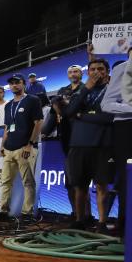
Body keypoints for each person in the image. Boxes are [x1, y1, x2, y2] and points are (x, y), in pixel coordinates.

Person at [65, 58, 113, 233]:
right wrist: (86, 89)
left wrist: (82, 116)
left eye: (100, 69)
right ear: (88, 72)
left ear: (107, 72)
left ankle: (101, 222)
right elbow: (69, 112)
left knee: (101, 185)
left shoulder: (112, 91)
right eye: (92, 69)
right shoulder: (81, 92)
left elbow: (109, 118)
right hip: (78, 145)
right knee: (79, 185)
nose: (96, 72)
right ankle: (80, 220)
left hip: (102, 145)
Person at [0, 73, 44, 223]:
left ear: (23, 84)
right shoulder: (9, 105)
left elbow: (38, 123)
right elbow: (7, 128)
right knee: (5, 182)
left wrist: (30, 144)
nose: (14, 85)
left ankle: (27, 213)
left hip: (25, 147)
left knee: (28, 182)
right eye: (12, 83)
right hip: (9, 149)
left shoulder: (32, 100)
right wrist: (2, 145)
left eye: (17, 82)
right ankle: (3, 210)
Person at [41, 64, 86, 220]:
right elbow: (53, 114)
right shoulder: (62, 91)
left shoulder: (86, 89)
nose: (73, 74)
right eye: (71, 72)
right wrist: (44, 132)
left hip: (84, 138)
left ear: (81, 74)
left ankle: (85, 216)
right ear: (68, 75)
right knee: (70, 182)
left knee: (82, 182)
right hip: (66, 140)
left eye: (76, 71)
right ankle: (75, 213)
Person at [101, 50, 132, 234]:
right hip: (126, 128)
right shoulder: (122, 69)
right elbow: (107, 104)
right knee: (128, 177)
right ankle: (124, 224)